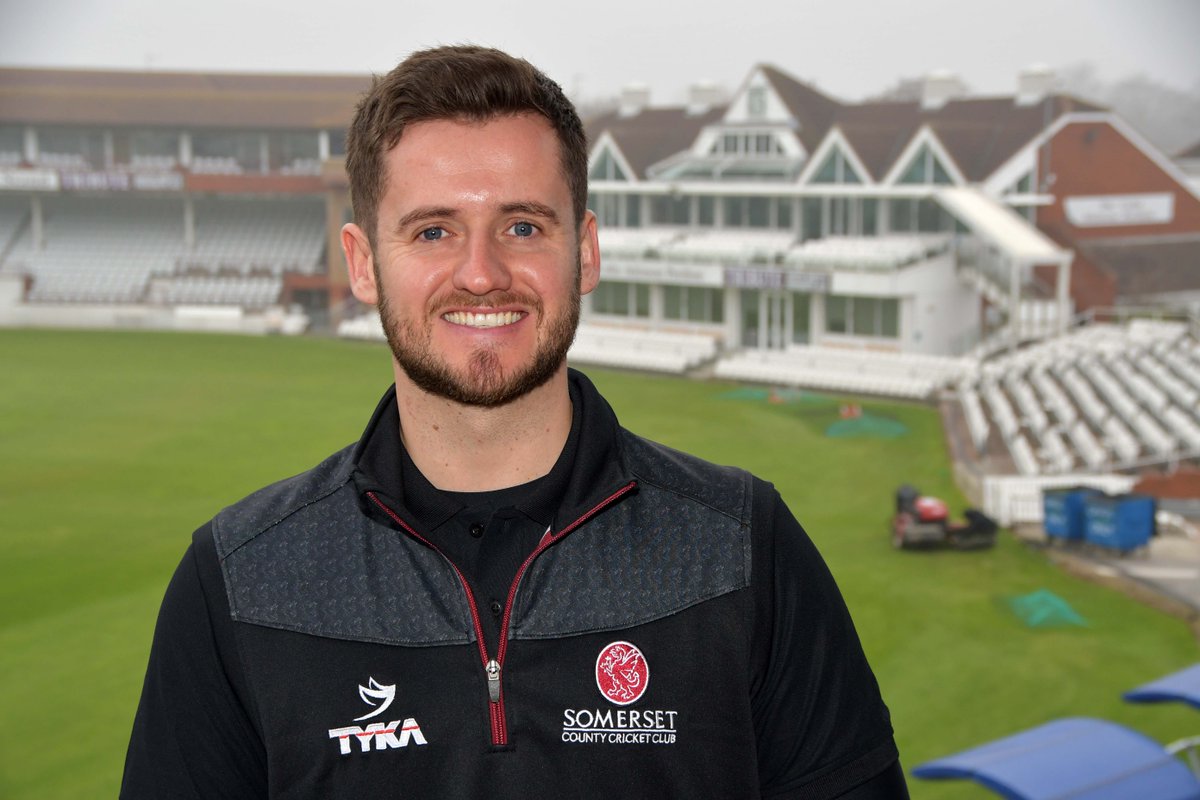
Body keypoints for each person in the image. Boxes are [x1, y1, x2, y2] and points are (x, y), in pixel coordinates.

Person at [122, 45, 908, 799]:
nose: (481, 274)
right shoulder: (241, 579)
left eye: (523, 226)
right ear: (362, 264)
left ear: (585, 252)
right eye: (433, 232)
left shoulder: (740, 549)